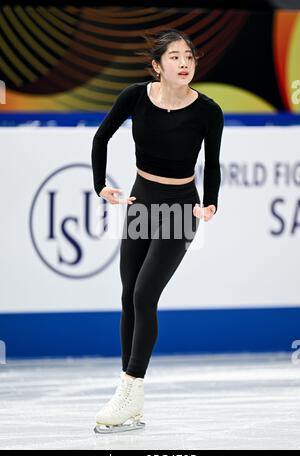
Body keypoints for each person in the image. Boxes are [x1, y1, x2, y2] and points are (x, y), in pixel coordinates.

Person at [91, 29, 224, 433]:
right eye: (175, 57)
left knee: (146, 293)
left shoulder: (208, 110)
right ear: (157, 65)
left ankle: (131, 386)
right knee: (128, 296)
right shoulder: (135, 96)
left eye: (189, 57)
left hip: (181, 208)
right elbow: (102, 137)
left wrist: (211, 200)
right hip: (138, 202)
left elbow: (213, 163)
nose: (185, 64)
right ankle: (130, 397)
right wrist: (102, 185)